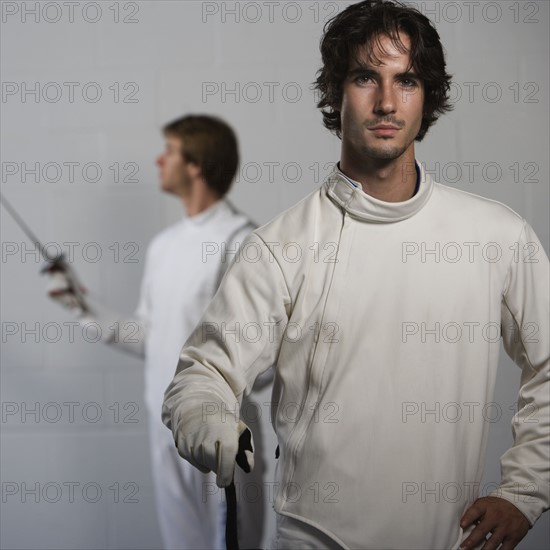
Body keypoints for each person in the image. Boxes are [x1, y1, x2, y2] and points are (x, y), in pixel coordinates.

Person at [161, 2, 549, 549]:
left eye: (406, 80)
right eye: (367, 77)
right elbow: (201, 374)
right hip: (314, 539)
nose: (387, 102)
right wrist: (205, 419)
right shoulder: (281, 247)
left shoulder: (496, 236)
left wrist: (525, 489)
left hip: (448, 539)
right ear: (335, 93)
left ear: (426, 96)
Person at [46, 114, 266, 549]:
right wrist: (80, 303)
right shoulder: (163, 246)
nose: (158, 160)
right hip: (163, 425)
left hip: (217, 432)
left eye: (169, 151)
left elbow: (260, 352)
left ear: (195, 164)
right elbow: (151, 335)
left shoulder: (241, 242)